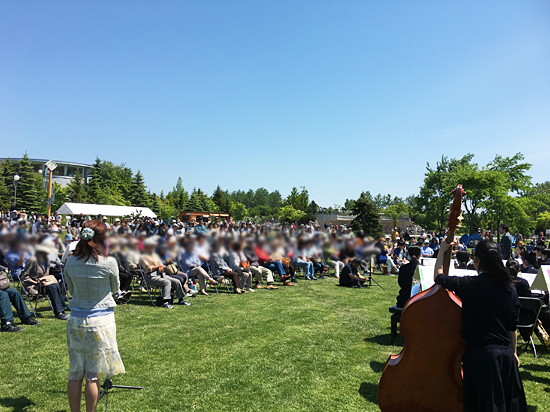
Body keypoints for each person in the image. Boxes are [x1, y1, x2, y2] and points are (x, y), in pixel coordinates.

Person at [433, 239, 527, 412]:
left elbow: (439, 277)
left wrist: (442, 251)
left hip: (481, 356)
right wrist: (513, 352)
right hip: (505, 355)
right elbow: (512, 327)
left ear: (477, 261)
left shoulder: (471, 285)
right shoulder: (510, 288)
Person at [64, 220, 125, 412]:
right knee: (92, 374)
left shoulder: (70, 261)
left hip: (76, 320)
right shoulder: (109, 262)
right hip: (101, 321)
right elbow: (116, 289)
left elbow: (71, 290)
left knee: (75, 372)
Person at [140, 238, 188, 306]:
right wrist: (159, 266)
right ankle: (166, 302)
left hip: (161, 274)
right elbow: (149, 268)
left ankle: (181, 300)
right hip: (151, 277)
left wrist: (160, 266)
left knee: (176, 281)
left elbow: (162, 265)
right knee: (167, 282)